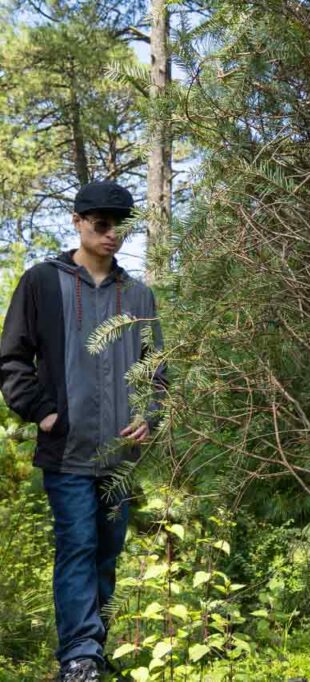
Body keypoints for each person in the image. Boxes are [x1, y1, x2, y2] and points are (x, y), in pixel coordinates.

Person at [0, 182, 165, 682]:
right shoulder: (40, 283)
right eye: (101, 224)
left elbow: (156, 370)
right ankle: (78, 654)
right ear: (77, 221)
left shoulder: (137, 294)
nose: (112, 234)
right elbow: (11, 359)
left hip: (120, 454)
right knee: (77, 545)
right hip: (66, 449)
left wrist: (149, 414)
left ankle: (91, 650)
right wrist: (42, 412)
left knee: (107, 552)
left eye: (121, 226)